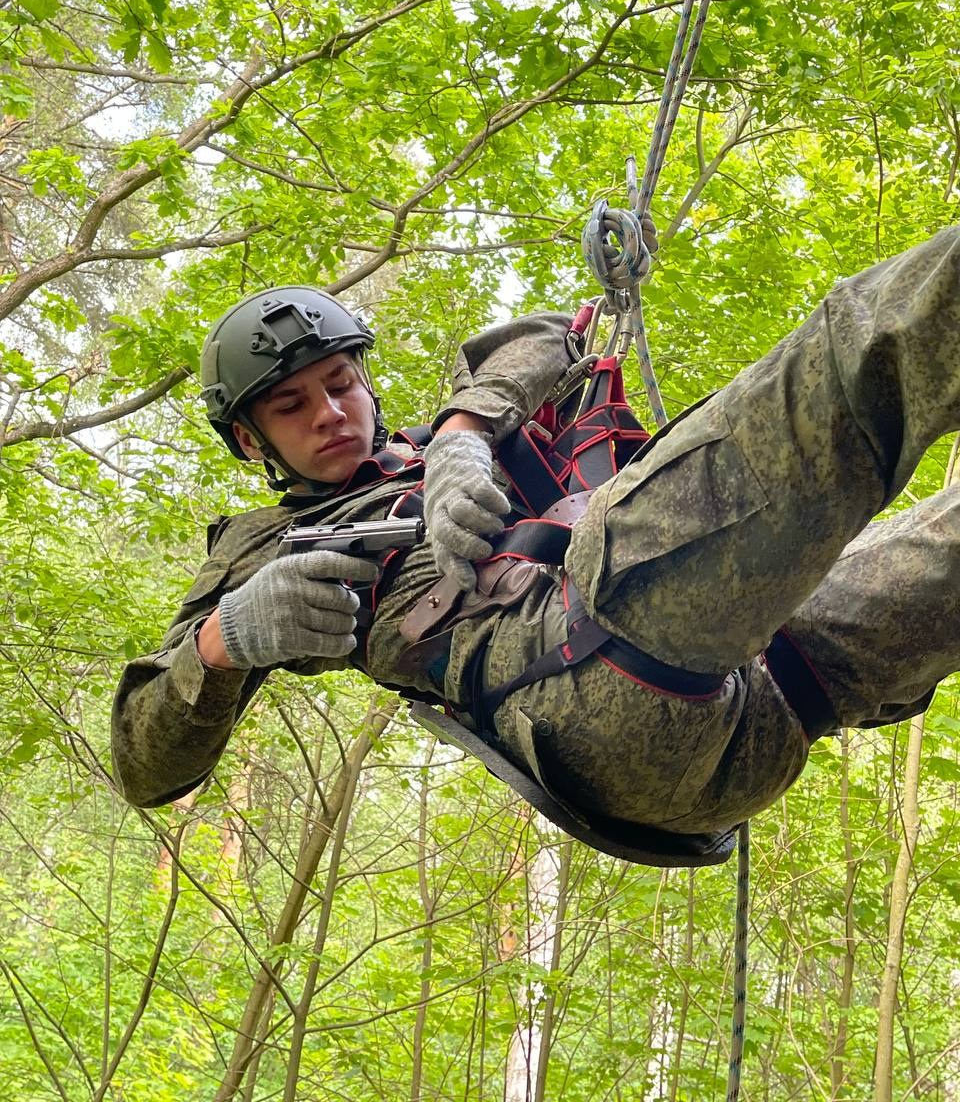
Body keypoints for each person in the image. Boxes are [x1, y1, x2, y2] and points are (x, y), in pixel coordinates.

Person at [111, 227, 960, 851]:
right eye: (292, 408)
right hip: (592, 682)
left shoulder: (440, 436)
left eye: (339, 385)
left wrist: (460, 437)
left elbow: (551, 338)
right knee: (864, 348)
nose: (330, 414)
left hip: (765, 705)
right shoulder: (263, 548)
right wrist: (226, 642)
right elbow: (143, 765)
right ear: (252, 442)